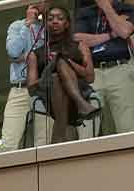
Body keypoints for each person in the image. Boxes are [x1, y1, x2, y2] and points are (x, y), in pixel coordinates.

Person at [30, 5, 98, 144]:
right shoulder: (35, 53)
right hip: (49, 96)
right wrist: (49, 72)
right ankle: (82, 106)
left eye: (60, 19)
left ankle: (60, 136)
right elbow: (31, 87)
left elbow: (90, 77)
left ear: (67, 24)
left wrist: (67, 62)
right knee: (55, 78)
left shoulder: (80, 46)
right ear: (45, 24)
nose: (55, 21)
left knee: (61, 63)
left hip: (78, 90)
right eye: (50, 19)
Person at [75, 0, 134, 135]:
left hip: (119, 69)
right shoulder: (85, 12)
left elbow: (124, 31)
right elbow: (77, 39)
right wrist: (111, 35)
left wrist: (106, 7)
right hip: (94, 72)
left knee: (126, 127)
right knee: (87, 126)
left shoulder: (125, 8)